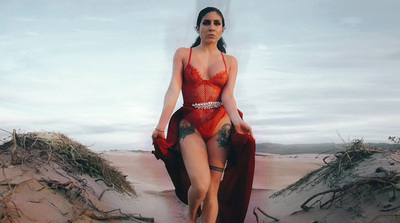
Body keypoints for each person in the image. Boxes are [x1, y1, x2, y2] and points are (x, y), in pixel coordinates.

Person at [152, 7, 255, 223]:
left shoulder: (231, 62)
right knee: (200, 185)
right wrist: (161, 126)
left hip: (221, 124)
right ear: (197, 27)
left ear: (223, 29)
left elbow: (228, 96)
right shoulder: (183, 54)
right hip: (191, 123)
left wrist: (238, 121)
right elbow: (173, 89)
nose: (212, 27)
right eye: (207, 22)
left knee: (212, 191)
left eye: (217, 23)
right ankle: (190, 215)